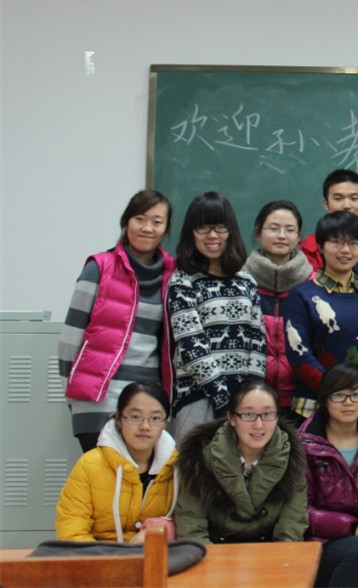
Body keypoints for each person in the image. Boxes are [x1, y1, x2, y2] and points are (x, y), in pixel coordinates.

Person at [58, 190, 176, 452]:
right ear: (126, 222)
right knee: (102, 475)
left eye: (156, 222)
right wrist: (74, 392)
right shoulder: (99, 268)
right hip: (97, 397)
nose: (147, 228)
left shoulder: (173, 275)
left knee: (140, 476)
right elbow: (69, 339)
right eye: (139, 219)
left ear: (166, 229)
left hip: (148, 400)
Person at [167, 192, 266, 441]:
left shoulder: (246, 280)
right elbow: (190, 344)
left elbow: (258, 342)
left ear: (230, 231)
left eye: (220, 227)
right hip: (198, 397)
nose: (212, 235)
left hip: (244, 403)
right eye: (203, 227)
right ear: (191, 233)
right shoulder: (183, 281)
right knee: (195, 465)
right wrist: (223, 399)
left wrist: (250, 396)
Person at [284, 211, 358, 422]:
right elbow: (299, 354)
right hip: (314, 406)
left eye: (353, 243)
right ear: (321, 246)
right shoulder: (302, 295)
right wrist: (341, 396)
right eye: (336, 242)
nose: (345, 250)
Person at [175, 379, 307, 543]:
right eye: (248, 415)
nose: (258, 425)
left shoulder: (292, 457)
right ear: (231, 418)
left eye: (267, 414)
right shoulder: (201, 456)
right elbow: (191, 526)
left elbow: (291, 527)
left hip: (270, 550)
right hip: (215, 550)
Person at [301, 364, 358, 588]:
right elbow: (300, 511)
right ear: (324, 400)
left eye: (356, 395)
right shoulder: (303, 445)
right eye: (339, 395)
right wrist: (352, 527)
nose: (348, 402)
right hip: (321, 545)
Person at [56, 382, 178, 542]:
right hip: (100, 554)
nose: (145, 426)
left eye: (155, 418)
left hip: (156, 554)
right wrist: (114, 556)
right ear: (119, 419)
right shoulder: (89, 464)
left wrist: (160, 533)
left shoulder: (178, 468)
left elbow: (188, 527)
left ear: (165, 423)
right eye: (135, 417)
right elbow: (71, 534)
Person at [244, 200, 314, 414]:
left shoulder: (313, 284)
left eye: (290, 230)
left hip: (301, 397)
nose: (281, 236)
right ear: (258, 233)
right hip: (250, 395)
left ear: (299, 236)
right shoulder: (241, 282)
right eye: (273, 228)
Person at [301, 169, 358, 270]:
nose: (346, 206)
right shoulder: (310, 250)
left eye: (353, 198)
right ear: (326, 204)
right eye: (338, 199)